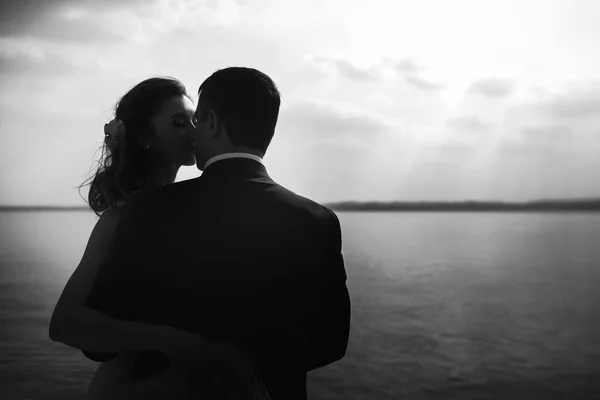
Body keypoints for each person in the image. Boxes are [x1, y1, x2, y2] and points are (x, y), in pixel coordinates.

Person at [71, 67, 351, 400]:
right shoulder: (318, 220)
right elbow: (331, 344)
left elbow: (97, 346)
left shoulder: (148, 210)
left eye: (197, 120)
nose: (192, 132)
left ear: (213, 123)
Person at [49, 76, 269, 399]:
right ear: (144, 137)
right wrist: (168, 339)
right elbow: (64, 322)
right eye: (179, 123)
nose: (193, 132)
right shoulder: (121, 218)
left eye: (193, 121)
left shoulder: (200, 207)